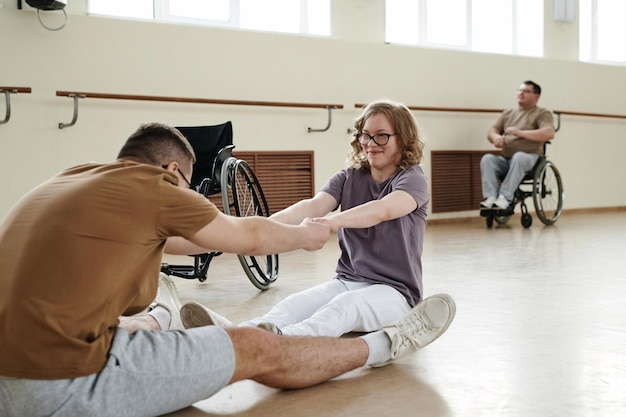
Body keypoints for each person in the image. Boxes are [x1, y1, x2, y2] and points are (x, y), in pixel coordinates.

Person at [0, 122, 456, 417]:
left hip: (15, 372)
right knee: (257, 345)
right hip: (58, 386)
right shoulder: (155, 186)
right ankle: (387, 343)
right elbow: (246, 237)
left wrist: (301, 225)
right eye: (188, 184)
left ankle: (166, 316)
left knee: (335, 309)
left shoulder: (70, 178)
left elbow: (194, 240)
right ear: (173, 170)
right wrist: (300, 234)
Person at [180, 99, 444, 339]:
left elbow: (383, 209)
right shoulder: (349, 177)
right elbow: (313, 206)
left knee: (343, 309)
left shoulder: (413, 179)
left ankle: (278, 341)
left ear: (403, 139)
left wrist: (332, 223)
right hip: (348, 280)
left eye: (381, 136)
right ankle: (236, 335)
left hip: (395, 293)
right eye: (365, 135)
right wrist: (264, 225)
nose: (370, 143)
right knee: (294, 304)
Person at [480, 80, 556, 210]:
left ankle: (505, 197)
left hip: (529, 158)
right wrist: (496, 137)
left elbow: (549, 132)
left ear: (536, 96)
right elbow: (492, 131)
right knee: (487, 159)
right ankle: (491, 197)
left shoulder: (542, 113)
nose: (521, 93)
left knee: (519, 157)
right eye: (519, 90)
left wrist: (520, 133)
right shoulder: (508, 113)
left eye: (526, 91)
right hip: (506, 158)